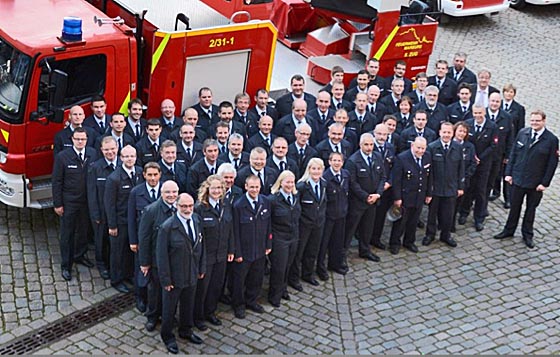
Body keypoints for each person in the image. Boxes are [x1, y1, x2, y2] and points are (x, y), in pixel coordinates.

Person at [494, 110, 559, 248]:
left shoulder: (552, 140)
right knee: (514, 207)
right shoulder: (523, 133)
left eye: (537, 121)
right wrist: (509, 173)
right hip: (518, 179)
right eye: (533, 120)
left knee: (531, 209)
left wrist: (544, 183)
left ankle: (527, 234)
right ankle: (508, 230)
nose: (534, 123)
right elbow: (513, 154)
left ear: (544, 121)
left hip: (536, 183)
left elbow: (551, 164)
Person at [157, 193, 205, 354]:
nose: (187, 209)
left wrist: (201, 268)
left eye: (190, 206)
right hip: (174, 276)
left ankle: (186, 330)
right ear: (177, 206)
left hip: (192, 272)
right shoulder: (168, 227)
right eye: (184, 206)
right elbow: (161, 256)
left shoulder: (197, 220)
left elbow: (200, 246)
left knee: (188, 305)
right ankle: (167, 336)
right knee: (169, 309)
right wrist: (166, 280)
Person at [52, 127, 98, 281]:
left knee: (83, 231)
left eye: (83, 139)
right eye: (77, 139)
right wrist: (58, 204)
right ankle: (66, 265)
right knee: (67, 234)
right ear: (72, 139)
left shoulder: (92, 154)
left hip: (86, 202)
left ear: (86, 140)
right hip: (69, 202)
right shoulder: (62, 157)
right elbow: (57, 182)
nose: (80, 142)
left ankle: (79, 255)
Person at [193, 175, 234, 330]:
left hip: (221, 254)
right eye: (214, 188)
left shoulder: (226, 205)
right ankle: (197, 317)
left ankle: (210, 312)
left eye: (219, 188)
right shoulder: (199, 208)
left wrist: (231, 249)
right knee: (202, 289)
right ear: (207, 189)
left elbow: (230, 230)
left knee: (216, 287)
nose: (217, 191)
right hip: (206, 256)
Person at [138, 180, 179, 333]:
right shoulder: (151, 210)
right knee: (154, 291)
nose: (171, 195)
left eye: (174, 192)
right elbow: (144, 238)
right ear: (161, 193)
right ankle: (152, 316)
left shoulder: (180, 208)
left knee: (171, 291)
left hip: (174, 260)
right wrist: (144, 262)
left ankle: (168, 315)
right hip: (156, 260)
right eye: (168, 192)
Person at [231, 175, 272, 319]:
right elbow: (235, 231)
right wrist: (237, 252)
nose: (254, 190)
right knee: (239, 280)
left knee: (256, 278)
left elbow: (268, 226)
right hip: (244, 251)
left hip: (260, 249)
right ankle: (238, 305)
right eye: (251, 187)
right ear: (246, 187)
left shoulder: (265, 202)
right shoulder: (238, 205)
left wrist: (268, 244)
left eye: (257, 187)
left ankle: (252, 300)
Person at [104, 145, 143, 293]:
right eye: (126, 156)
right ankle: (116, 280)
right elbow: (109, 204)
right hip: (120, 221)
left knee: (129, 251)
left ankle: (128, 275)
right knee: (117, 252)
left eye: (132, 156)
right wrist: (112, 225)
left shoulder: (140, 172)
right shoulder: (113, 178)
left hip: (134, 221)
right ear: (121, 158)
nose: (129, 159)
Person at [344, 133, 385, 264]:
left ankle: (365, 250)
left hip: (373, 200)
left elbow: (382, 177)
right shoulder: (353, 161)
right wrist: (365, 196)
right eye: (366, 145)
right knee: (350, 230)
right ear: (360, 145)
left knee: (368, 228)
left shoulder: (378, 157)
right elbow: (352, 183)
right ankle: (342, 254)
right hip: (358, 202)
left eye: (371, 144)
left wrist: (378, 194)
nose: (369, 147)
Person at [422, 122, 464, 248]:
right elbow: (428, 171)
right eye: (444, 132)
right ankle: (430, 234)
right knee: (432, 214)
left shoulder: (457, 147)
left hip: (451, 187)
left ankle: (446, 235)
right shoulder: (432, 147)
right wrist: (429, 189)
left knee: (448, 214)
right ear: (440, 132)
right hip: (436, 187)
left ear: (452, 133)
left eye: (449, 132)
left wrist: (461, 186)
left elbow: (461, 168)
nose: (446, 135)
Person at [128, 162, 162, 313]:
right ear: (144, 175)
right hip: (143, 240)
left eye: (155, 175)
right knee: (141, 271)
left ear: (160, 175)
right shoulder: (136, 192)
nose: (153, 178)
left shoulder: (166, 190)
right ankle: (140, 297)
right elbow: (131, 218)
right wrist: (133, 240)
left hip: (160, 240)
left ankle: (156, 300)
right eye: (150, 175)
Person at [389, 137, 432, 254]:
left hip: (419, 195)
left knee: (413, 221)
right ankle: (394, 243)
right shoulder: (402, 158)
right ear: (412, 145)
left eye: (423, 148)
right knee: (400, 222)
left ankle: (409, 241)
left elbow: (429, 177)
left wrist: (428, 193)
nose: (420, 151)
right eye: (418, 148)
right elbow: (396, 180)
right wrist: (397, 198)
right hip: (405, 196)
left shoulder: (427, 156)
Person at [288, 158, 327, 291]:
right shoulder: (301, 186)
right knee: (299, 252)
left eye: (319, 169)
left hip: (318, 223)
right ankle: (293, 278)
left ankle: (308, 274)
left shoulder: (324, 184)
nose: (316, 172)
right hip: (303, 225)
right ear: (308, 170)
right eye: (313, 169)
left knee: (312, 250)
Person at [458, 105, 498, 231]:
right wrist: (473, 157)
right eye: (475, 112)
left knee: (481, 191)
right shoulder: (468, 124)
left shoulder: (492, 127)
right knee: (468, 189)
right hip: (470, 163)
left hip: (484, 164)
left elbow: (493, 145)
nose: (477, 115)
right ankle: (464, 212)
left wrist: (480, 157)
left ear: (484, 112)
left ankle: (479, 218)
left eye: (480, 112)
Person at [87, 136, 119, 280]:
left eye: (112, 149)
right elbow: (91, 193)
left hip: (117, 212)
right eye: (106, 150)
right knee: (101, 241)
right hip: (101, 212)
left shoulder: (122, 165)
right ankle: (102, 265)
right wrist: (95, 215)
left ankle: (115, 265)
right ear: (101, 150)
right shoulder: (95, 168)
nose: (110, 152)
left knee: (116, 241)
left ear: (117, 148)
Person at [267, 171, 301, 307]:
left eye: (292, 182)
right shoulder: (273, 200)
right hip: (279, 238)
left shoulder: (295, 196)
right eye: (287, 182)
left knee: (288, 265)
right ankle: (274, 295)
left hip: (293, 236)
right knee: (278, 268)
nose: (290, 185)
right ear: (280, 182)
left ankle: (283, 289)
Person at [317, 152, 350, 277]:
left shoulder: (345, 175)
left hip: (341, 214)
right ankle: (320, 268)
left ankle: (335, 264)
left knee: (337, 242)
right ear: (329, 162)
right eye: (334, 160)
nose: (337, 163)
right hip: (328, 216)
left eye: (339, 161)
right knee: (323, 244)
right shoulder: (325, 178)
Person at [370, 123, 396, 250]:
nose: (381, 137)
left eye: (384, 134)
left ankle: (376, 238)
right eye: (379, 134)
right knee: (369, 217)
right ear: (374, 133)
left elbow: (393, 167)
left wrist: (389, 182)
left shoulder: (390, 148)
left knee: (380, 216)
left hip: (385, 188)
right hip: (372, 187)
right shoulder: (369, 146)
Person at [486, 92, 514, 205]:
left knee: (496, 176)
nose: (494, 104)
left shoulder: (506, 117)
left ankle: (502, 198)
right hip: (484, 154)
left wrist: (508, 155)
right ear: (488, 101)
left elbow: (510, 138)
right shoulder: (482, 114)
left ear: (500, 103)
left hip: (499, 154)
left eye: (497, 101)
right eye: (492, 101)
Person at [451, 121, 477, 232]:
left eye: (464, 132)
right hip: (449, 180)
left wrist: (465, 175)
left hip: (462, 180)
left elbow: (473, 163)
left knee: (457, 203)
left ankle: (452, 223)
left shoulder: (470, 146)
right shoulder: (449, 143)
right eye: (460, 131)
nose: (461, 134)